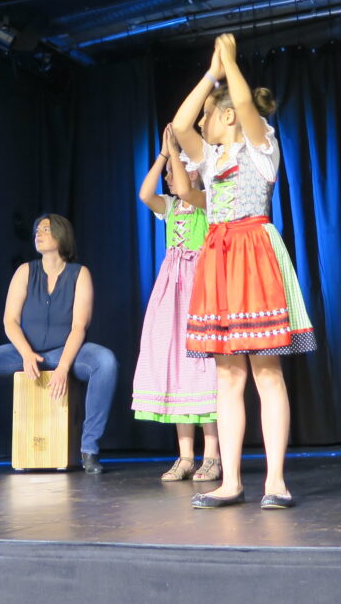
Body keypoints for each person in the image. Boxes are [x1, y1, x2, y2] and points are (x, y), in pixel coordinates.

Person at [172, 33, 314, 510]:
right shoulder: (210, 159)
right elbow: (180, 123)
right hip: (219, 257)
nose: (204, 121)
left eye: (212, 113)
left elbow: (245, 108)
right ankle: (230, 480)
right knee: (228, 375)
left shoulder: (260, 145)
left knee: (266, 371)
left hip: (253, 252)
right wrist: (212, 73)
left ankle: (275, 481)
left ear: (229, 115)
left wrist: (231, 65)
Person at [0, 214, 117, 478]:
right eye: (36, 231)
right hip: (24, 351)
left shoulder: (80, 274)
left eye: (45, 229)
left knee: (105, 361)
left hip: (66, 351)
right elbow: (10, 321)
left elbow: (79, 326)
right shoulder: (25, 271)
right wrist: (26, 353)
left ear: (62, 234)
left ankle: (89, 450)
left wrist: (64, 367)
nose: (38, 234)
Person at [131, 125, 220, 482]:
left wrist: (180, 156)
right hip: (172, 292)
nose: (170, 177)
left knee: (204, 369)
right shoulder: (170, 206)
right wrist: (164, 155)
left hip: (200, 287)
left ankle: (212, 455)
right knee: (177, 367)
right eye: (169, 172)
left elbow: (187, 187)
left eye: (177, 170)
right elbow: (144, 193)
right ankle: (185, 457)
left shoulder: (206, 200)